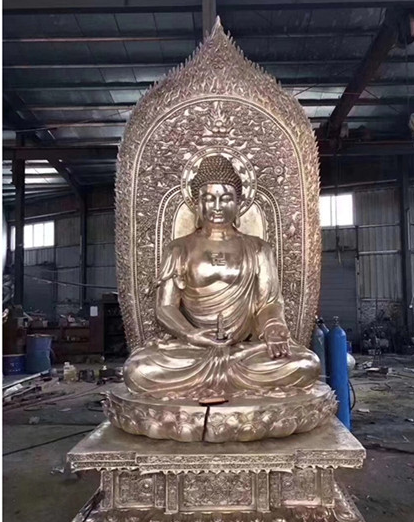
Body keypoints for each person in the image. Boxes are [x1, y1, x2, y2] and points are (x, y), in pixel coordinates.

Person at [123, 155, 320, 400]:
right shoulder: (179, 248)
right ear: (197, 203)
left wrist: (273, 328)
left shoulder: (258, 249)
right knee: (138, 369)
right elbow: (165, 307)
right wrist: (191, 334)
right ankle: (228, 383)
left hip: (243, 351)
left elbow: (268, 303)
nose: (217, 206)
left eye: (226, 198)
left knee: (306, 364)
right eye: (209, 198)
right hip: (193, 350)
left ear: (239, 203)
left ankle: (217, 381)